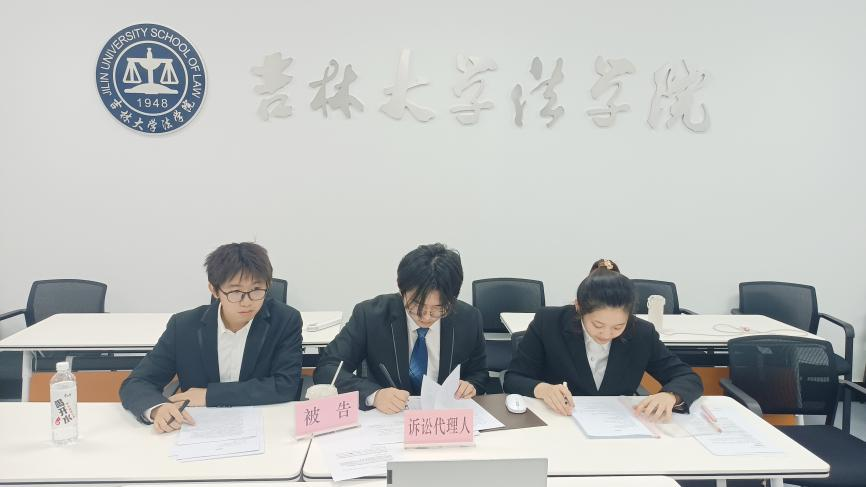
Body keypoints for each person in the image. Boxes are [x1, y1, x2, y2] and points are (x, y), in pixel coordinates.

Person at [119, 242, 303, 433]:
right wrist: (158, 408)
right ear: (214, 290)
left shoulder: (285, 320)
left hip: (264, 425)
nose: (247, 302)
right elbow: (136, 383)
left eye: (256, 290)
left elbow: (285, 385)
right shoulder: (183, 326)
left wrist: (209, 396)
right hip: (197, 428)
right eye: (235, 292)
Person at [503, 263, 702, 421]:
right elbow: (514, 378)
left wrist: (671, 396)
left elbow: (687, 377)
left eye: (618, 326)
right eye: (598, 325)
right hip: (559, 420)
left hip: (618, 424)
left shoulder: (641, 333)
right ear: (579, 307)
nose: (607, 334)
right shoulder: (549, 323)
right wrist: (543, 389)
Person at [314, 243, 488, 414]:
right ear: (401, 290)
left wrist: (470, 386)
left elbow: (479, 374)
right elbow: (327, 368)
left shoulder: (469, 319)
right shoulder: (370, 315)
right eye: (416, 305)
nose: (426, 316)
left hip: (442, 420)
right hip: (387, 419)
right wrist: (374, 395)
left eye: (438, 309)